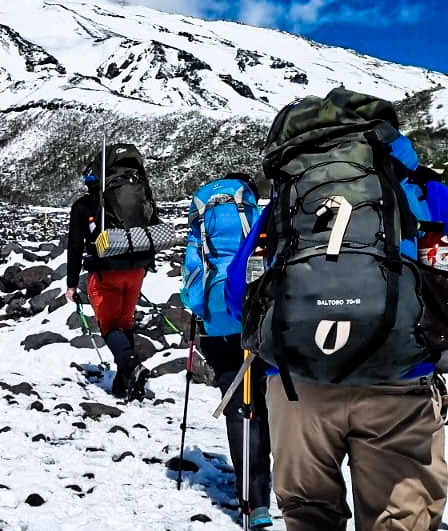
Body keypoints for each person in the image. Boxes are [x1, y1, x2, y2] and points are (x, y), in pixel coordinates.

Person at [226, 105, 448, 531]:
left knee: (308, 514)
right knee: (402, 519)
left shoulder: (290, 201)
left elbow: (240, 293)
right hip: (399, 382)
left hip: (297, 386)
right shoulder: (421, 189)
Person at [181, 174, 273, 529]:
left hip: (216, 326)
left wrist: (198, 311)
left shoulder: (202, 219)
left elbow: (190, 285)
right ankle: (262, 493)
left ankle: (249, 500)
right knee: (262, 405)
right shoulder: (253, 217)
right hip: (254, 319)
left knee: (237, 409)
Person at [65, 144, 155, 401]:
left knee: (109, 327)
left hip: (106, 271)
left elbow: (75, 246)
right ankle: (124, 383)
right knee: (125, 323)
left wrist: (72, 284)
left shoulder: (84, 205)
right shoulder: (137, 195)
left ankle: (132, 366)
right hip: (136, 269)